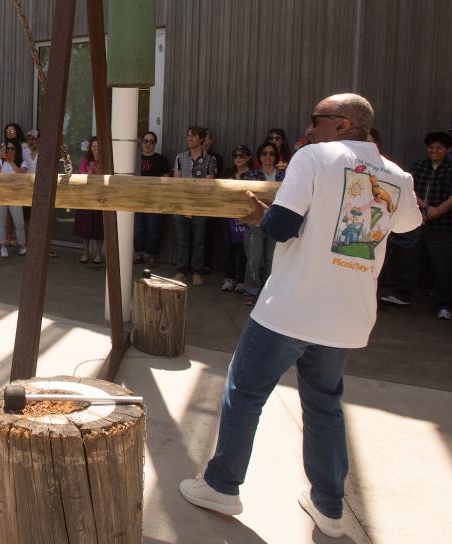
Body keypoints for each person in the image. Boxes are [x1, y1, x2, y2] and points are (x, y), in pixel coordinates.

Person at [179, 93, 421, 538]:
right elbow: (406, 227)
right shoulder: (398, 175)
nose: (308, 129)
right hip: (347, 315)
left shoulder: (315, 158)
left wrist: (258, 216)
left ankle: (222, 485)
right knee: (325, 405)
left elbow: (283, 226)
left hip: (291, 308)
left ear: (344, 124)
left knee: (244, 393)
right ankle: (329, 507)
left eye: (317, 119)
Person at [380, 131, 452, 319]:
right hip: (419, 220)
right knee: (409, 258)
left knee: (444, 264)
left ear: (448, 150)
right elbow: (410, 190)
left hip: (444, 224)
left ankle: (444, 304)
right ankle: (402, 294)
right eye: (431, 147)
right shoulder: (420, 167)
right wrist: (426, 208)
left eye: (439, 148)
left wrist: (437, 211)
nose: (433, 151)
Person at [241, 141, 286, 303]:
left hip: (275, 222)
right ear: (259, 156)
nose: (268, 156)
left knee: (272, 259)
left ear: (276, 156)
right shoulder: (251, 175)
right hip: (255, 223)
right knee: (254, 258)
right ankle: (251, 292)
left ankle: (267, 293)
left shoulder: (284, 175)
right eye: (264, 153)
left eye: (271, 153)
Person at [173, 126, 218, 284]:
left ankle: (196, 272)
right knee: (182, 240)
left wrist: (193, 205)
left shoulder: (210, 159)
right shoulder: (180, 157)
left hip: (200, 206)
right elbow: (176, 182)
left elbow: (208, 185)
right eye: (188, 135)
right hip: (181, 205)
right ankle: (181, 270)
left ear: (201, 139)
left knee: (199, 240)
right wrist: (185, 205)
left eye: (192, 136)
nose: (189, 138)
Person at [134, 131, 170, 265]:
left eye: (151, 142)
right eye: (146, 141)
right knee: (138, 228)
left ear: (155, 144)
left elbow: (166, 179)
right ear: (141, 143)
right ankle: (138, 254)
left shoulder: (161, 159)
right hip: (137, 199)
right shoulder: (134, 159)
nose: (148, 144)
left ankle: (151, 255)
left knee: (153, 228)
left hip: (155, 200)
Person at [221, 145, 254, 291]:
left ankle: (241, 279)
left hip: (247, 216)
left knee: (244, 250)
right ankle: (228, 278)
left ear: (248, 157)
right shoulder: (228, 173)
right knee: (229, 249)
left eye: (242, 155)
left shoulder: (253, 174)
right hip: (229, 216)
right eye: (236, 155)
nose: (239, 158)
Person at [0, 142, 28, 258]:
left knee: (19, 222)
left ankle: (23, 246)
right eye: (8, 149)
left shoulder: (22, 162)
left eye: (12, 148)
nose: (10, 150)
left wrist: (11, 161)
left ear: (16, 150)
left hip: (15, 196)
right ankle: (3, 247)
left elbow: (21, 174)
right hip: (0, 195)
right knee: (1, 222)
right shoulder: (1, 161)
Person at [73, 137, 105, 264]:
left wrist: (99, 171)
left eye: (98, 147)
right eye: (94, 146)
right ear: (90, 148)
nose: (96, 149)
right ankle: (85, 253)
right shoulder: (85, 160)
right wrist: (90, 172)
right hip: (86, 197)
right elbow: (80, 177)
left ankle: (98, 254)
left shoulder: (106, 160)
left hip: (100, 197)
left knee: (99, 227)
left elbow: (108, 177)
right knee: (85, 227)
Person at [1, 123, 27, 246]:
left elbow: (25, 165)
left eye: (12, 130)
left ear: (17, 131)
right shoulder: (3, 146)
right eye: (7, 131)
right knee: (6, 217)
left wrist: (12, 162)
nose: (9, 133)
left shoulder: (24, 146)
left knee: (19, 218)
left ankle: (20, 241)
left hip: (21, 185)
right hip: (5, 189)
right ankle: (8, 238)